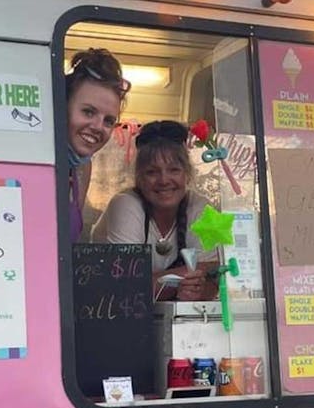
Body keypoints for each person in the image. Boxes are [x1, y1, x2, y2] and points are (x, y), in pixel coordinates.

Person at [92, 120, 218, 301]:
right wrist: (192, 275)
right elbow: (126, 289)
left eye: (174, 170)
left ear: (187, 174)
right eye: (152, 172)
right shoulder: (125, 205)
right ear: (139, 178)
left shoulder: (202, 208)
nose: (164, 180)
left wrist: (194, 289)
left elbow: (212, 282)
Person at [66, 48, 130, 240]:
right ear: (63, 106)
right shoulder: (40, 162)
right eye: (88, 112)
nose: (98, 127)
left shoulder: (82, 165)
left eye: (108, 121)